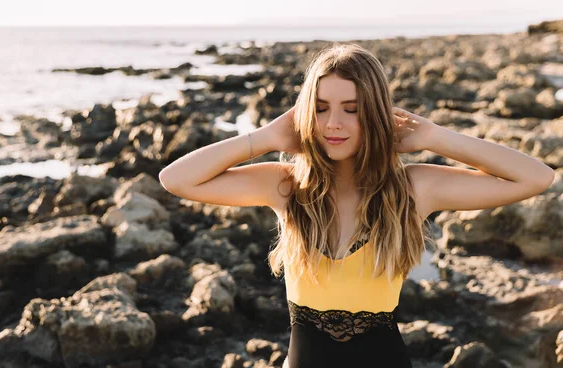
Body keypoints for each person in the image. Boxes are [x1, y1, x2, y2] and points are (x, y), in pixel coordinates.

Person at [158, 43, 555, 367]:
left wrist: (436, 137)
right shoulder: (286, 186)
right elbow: (175, 179)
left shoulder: (411, 189)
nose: (334, 123)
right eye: (321, 108)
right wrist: (264, 137)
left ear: (375, 115)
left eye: (352, 109)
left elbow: (535, 177)